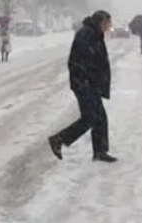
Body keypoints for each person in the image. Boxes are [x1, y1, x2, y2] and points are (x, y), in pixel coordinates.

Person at [48, 10, 116, 163]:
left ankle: (100, 151)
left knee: (100, 118)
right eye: (107, 23)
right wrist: (88, 80)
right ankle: (58, 139)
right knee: (90, 118)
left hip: (91, 84)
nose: (109, 26)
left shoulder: (95, 33)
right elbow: (80, 61)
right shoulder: (86, 34)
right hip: (84, 84)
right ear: (100, 22)